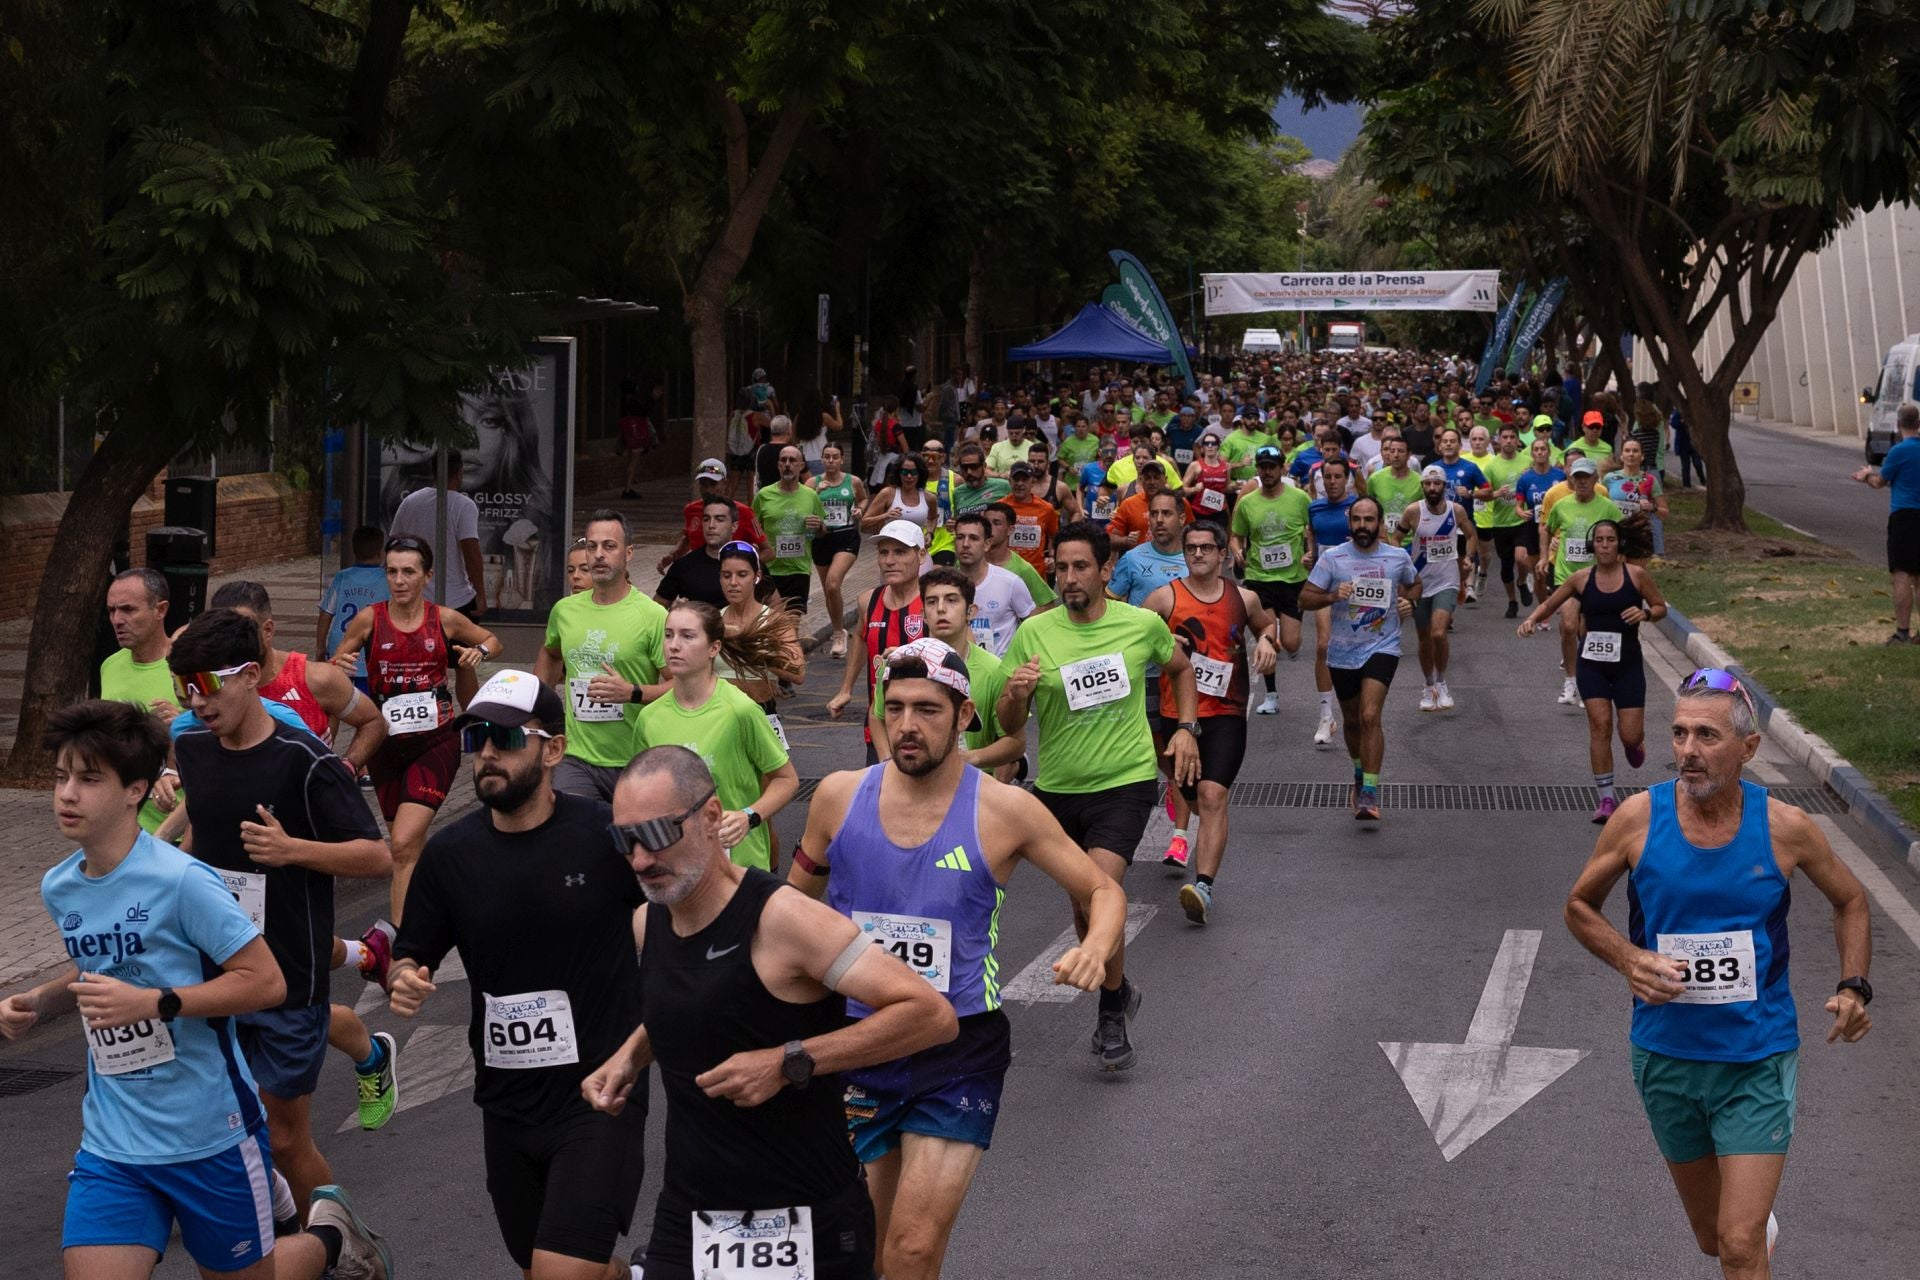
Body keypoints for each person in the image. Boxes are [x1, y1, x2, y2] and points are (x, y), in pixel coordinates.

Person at [0, 700, 393, 1280]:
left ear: (135, 791)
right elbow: (106, 967)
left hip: (211, 1133)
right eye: (61, 778)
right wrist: (40, 1000)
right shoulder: (61, 886)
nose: (67, 794)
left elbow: (266, 982)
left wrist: (156, 1003)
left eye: (88, 779)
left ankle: (331, 1239)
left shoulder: (184, 880)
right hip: (113, 1139)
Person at [791, 639, 1124, 1280]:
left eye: (927, 709)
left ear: (964, 715)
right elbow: (789, 908)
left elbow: (1102, 890)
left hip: (958, 1047)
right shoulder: (838, 797)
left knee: (913, 1248)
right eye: (895, 708)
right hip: (856, 1041)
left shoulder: (1005, 809)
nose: (907, 726)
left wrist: (1095, 946)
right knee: (863, 1248)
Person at [583, 747, 959, 1280]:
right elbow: (694, 1000)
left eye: (658, 833)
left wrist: (788, 1061)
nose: (641, 859)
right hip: (692, 1217)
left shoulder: (785, 919)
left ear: (711, 817)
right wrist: (630, 1056)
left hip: (807, 1217)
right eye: (625, 840)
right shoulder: (650, 922)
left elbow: (930, 1014)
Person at [1564, 669, 1872, 1278]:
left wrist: (1853, 985)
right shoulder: (1638, 818)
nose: (1687, 751)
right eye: (1679, 733)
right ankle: (1751, 1230)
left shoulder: (1785, 828)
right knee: (1713, 1237)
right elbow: (1579, 906)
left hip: (1757, 1056)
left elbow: (1851, 900)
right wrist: (1629, 958)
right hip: (1666, 1055)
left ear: (1748, 748)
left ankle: (1749, 1232)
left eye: (1706, 736)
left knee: (1736, 1242)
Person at [388, 671, 648, 1280]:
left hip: (601, 1090)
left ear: (553, 750)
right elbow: (412, 949)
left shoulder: (606, 835)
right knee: (538, 1265)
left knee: (559, 1271)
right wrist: (403, 976)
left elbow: (679, 913)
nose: (486, 753)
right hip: (506, 1099)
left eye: (505, 738)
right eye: (476, 736)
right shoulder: (450, 854)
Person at [168, 611, 398, 1207]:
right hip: (215, 973)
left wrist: (292, 850)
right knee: (221, 1130)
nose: (196, 701)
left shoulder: (305, 759)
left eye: (206, 684)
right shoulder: (191, 746)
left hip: (291, 977)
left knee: (284, 1138)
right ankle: (270, 1236)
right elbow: (203, 832)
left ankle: (341, 1239)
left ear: (250, 675)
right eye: (184, 687)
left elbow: (378, 857)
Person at [998, 521, 1203, 1071]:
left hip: (1124, 783)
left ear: (1106, 570)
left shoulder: (1139, 624)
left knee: (1099, 892)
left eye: (1080, 566)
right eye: (1060, 567)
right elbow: (1010, 723)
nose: (1068, 578)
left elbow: (1181, 668)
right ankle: (1120, 988)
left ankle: (1110, 1014)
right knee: (1082, 906)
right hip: (1057, 789)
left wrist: (1186, 727)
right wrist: (1015, 695)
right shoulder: (1034, 634)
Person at [331, 535, 500, 922]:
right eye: (392, 572)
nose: (399, 580)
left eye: (408, 572)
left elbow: (492, 640)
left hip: (435, 742)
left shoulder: (444, 618)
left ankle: (401, 939)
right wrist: (339, 666)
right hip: (385, 746)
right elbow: (335, 665)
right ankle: (433, 912)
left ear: (427, 576)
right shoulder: (370, 619)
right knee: (407, 847)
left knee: (404, 843)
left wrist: (478, 652)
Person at [1140, 520, 1278, 922]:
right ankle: (1188, 805)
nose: (1197, 554)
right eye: (1191, 548)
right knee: (1195, 798)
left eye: (1205, 547)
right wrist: (1161, 642)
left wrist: (1267, 640)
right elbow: (1128, 635)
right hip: (1177, 715)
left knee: (1214, 795)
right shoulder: (1164, 598)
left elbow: (1266, 623)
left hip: (1226, 714)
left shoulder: (1244, 598)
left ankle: (1202, 887)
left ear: (1222, 554)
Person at [635, 601, 799, 873]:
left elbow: (787, 780)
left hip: (738, 868)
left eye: (688, 636)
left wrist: (748, 817)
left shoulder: (740, 710)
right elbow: (643, 793)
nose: (674, 645)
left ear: (714, 648)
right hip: (678, 868)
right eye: (669, 635)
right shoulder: (648, 719)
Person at [1521, 520, 1668, 822]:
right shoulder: (1581, 578)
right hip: (1592, 665)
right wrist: (1531, 620)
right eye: (1599, 540)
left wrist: (1646, 613)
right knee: (1600, 726)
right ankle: (1606, 799)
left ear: (1619, 544)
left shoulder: (1636, 575)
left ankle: (1633, 743)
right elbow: (1551, 603)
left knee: (1629, 734)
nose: (1604, 545)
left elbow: (1660, 607)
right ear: (1592, 545)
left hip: (1627, 664)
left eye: (1610, 539)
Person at [1298, 497, 1421, 821]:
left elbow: (1415, 585)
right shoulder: (1333, 558)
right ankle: (1357, 771)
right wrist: (1331, 595)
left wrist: (1410, 603)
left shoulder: (1397, 557)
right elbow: (1305, 599)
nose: (1362, 526)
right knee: (1352, 721)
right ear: (1349, 522)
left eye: (1369, 520)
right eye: (1357, 520)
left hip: (1383, 645)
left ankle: (1369, 791)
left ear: (1380, 523)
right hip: (1342, 651)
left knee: (1369, 715)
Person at [537, 508, 669, 801]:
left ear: (629, 553)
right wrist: (538, 705)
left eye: (609, 546)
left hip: (634, 760)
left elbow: (680, 685)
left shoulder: (652, 616)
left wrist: (632, 692)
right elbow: (551, 653)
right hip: (576, 758)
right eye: (592, 546)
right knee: (574, 826)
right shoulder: (565, 611)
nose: (598, 555)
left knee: (626, 832)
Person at [208, 580, 389, 770]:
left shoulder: (315, 678)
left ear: (268, 630)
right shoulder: (206, 684)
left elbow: (373, 722)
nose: (232, 640)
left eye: (243, 631)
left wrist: (346, 768)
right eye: (222, 632)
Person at [869, 567, 1027, 776]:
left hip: (969, 784)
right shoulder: (900, 661)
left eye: (951, 600)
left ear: (970, 612)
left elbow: (1015, 742)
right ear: (923, 614)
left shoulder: (995, 670)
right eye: (932, 602)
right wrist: (887, 762)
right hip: (909, 782)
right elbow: (877, 714)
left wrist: (969, 759)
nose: (941, 609)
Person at [829, 520, 928, 760]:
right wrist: (845, 689)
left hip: (925, 724)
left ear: (921, 555)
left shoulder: (934, 601)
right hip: (879, 722)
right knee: (881, 782)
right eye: (883, 552)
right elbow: (860, 638)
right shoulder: (868, 601)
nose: (889, 561)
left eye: (900, 552)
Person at [100, 568, 185, 839]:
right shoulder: (110, 666)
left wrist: (182, 725)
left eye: (128, 610)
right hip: (123, 831)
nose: (117, 620)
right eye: (112, 610)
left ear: (160, 610)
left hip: (180, 834)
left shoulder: (186, 667)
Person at [1231, 444, 1314, 716]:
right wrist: (1237, 551)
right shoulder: (1247, 503)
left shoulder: (1300, 498)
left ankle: (1285, 637)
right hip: (1259, 579)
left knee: (1291, 643)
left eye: (1272, 467)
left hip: (1292, 579)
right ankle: (1271, 695)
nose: (1267, 472)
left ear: (1282, 469)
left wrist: (1311, 552)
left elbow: (1312, 529)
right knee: (1267, 639)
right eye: (1263, 467)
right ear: (1258, 469)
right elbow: (1236, 536)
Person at [1393, 466, 1476, 712]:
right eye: (1428, 484)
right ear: (1422, 486)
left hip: (1447, 581)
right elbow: (1395, 538)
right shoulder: (1413, 511)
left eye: (1437, 483)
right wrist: (1401, 563)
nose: (1432, 488)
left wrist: (1468, 557)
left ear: (1444, 486)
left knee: (1438, 633)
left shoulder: (1456, 510)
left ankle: (1441, 682)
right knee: (1424, 638)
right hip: (1419, 583)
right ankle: (1429, 686)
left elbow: (1472, 536)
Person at [1544, 459, 1626, 706]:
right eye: (1577, 477)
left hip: (1596, 578)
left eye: (1586, 477)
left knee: (1587, 631)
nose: (1581, 482)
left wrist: (1619, 565)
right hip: (1566, 577)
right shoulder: (1561, 505)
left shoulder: (1608, 507)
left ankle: (1589, 680)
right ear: (1571, 479)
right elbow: (1547, 528)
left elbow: (1622, 536)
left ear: (1595, 480)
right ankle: (1571, 680)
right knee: (1569, 626)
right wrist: (1546, 553)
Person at [714, 543, 807, 754]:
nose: (733, 583)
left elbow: (798, 673)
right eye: (726, 575)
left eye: (742, 575)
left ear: (756, 577)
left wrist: (747, 645)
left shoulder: (775, 622)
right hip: (719, 717)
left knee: (772, 774)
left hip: (762, 713)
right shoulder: (713, 621)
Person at [386, 448, 487, 622]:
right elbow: (471, 553)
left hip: (417, 597)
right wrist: (481, 594)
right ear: (460, 472)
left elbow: (394, 545)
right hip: (456, 599)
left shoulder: (410, 502)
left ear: (433, 471)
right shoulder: (463, 505)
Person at [1852, 401, 1920, 645]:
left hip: (1904, 516)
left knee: (1902, 573)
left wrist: (1866, 475)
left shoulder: (1898, 452)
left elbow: (1879, 482)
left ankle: (1902, 632)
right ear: (1919, 423)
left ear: (1899, 424)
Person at [1305, 456, 1361, 746]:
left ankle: (1359, 706)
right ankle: (1326, 715)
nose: (1332, 482)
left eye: (1338, 476)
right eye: (1327, 477)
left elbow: (1379, 539)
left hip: (1358, 585)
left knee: (1357, 647)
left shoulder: (1358, 507)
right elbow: (1313, 538)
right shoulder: (1314, 507)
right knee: (1323, 645)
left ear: (1347, 479)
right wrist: (1309, 555)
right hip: (1327, 584)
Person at [944, 511, 1035, 658]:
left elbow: (1032, 627)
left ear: (987, 544)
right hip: (957, 667)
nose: (965, 544)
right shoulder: (943, 585)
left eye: (973, 538)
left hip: (1000, 668)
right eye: (960, 537)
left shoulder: (1010, 582)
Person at [658, 459, 766, 575]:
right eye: (703, 484)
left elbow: (767, 551)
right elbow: (688, 538)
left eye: (713, 484)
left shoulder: (745, 512)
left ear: (725, 483)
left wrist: (743, 567)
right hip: (699, 575)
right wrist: (672, 555)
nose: (708, 490)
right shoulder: (691, 510)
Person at [316, 525, 391, 693]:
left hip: (340, 649)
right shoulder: (387, 579)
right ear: (381, 553)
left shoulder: (342, 577)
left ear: (354, 551)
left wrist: (320, 648)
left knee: (337, 698)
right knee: (369, 700)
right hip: (372, 652)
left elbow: (325, 614)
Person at [812, 441, 869, 658]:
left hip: (846, 536)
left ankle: (837, 633)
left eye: (835, 457)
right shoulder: (812, 482)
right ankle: (839, 628)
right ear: (822, 459)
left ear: (842, 460)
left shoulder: (852, 481)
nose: (831, 461)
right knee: (829, 590)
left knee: (833, 584)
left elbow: (863, 499)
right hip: (821, 538)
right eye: (827, 457)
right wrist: (816, 492)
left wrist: (860, 510)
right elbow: (803, 504)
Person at [754, 442, 828, 609]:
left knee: (793, 620)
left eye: (792, 460)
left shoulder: (811, 496)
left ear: (801, 466)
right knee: (772, 620)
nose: (787, 464)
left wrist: (818, 527)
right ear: (778, 465)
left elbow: (822, 532)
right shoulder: (764, 495)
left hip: (799, 569)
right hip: (770, 569)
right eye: (783, 460)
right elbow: (754, 528)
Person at [1477, 423, 1532, 617]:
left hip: (1522, 519)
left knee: (1521, 558)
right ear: (1499, 441)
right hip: (1501, 522)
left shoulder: (1528, 461)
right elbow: (1482, 494)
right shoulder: (1492, 465)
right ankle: (1512, 601)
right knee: (1506, 566)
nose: (1508, 441)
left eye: (1512, 437)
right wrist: (1496, 493)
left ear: (1517, 440)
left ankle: (1522, 581)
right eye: (1505, 437)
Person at [656, 496, 740, 609]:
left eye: (719, 519)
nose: (711, 525)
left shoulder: (750, 564)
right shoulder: (683, 566)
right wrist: (674, 612)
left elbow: (766, 604)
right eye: (706, 519)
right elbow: (656, 609)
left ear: (734, 526)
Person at [1513, 436, 1566, 609]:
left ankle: (1560, 603)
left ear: (1549, 452)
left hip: (1555, 528)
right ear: (1532, 454)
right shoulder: (1525, 479)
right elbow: (1518, 506)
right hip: (1533, 528)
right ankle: (1544, 610)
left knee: (1557, 569)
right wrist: (1522, 513)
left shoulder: (1560, 475)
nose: (1540, 452)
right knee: (1539, 573)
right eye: (1536, 450)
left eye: (1543, 449)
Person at [999, 461, 1060, 580]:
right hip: (1006, 573)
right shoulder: (999, 507)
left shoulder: (1046, 508)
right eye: (1016, 479)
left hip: (1036, 574)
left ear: (1033, 482)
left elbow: (1055, 536)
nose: (1020, 484)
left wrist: (1052, 556)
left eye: (1024, 480)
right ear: (1010, 481)